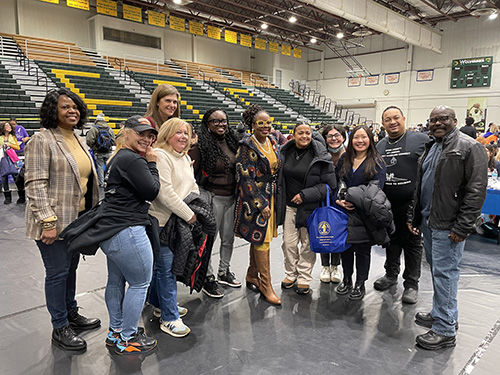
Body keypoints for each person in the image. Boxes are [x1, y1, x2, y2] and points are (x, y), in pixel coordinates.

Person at [25, 88, 101, 351]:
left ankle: (71, 313)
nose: (72, 111)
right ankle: (59, 327)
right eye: (65, 107)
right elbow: (35, 185)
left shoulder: (78, 138)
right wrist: (47, 222)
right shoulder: (41, 140)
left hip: (77, 220)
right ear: (52, 111)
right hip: (53, 222)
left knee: (71, 270)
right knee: (57, 273)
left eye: (75, 107)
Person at [408, 105, 487, 350]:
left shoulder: (469, 147)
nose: (437, 123)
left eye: (443, 119)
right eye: (433, 120)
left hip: (449, 225)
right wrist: (417, 218)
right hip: (431, 221)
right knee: (437, 272)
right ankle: (441, 312)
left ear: (454, 120)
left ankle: (445, 329)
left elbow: (476, 192)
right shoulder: (433, 146)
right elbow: (424, 185)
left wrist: (463, 227)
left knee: (446, 274)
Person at [99, 115, 160, 354]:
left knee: (115, 281)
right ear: (126, 132)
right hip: (128, 229)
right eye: (140, 134)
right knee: (139, 283)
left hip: (111, 228)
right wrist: (152, 163)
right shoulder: (133, 159)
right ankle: (128, 337)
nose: (146, 139)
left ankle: (116, 332)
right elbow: (152, 191)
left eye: (150, 135)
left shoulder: (117, 157)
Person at [373, 106, 429, 304]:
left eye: (396, 117)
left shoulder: (421, 140)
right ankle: (390, 275)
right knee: (391, 241)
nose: (392, 122)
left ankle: (411, 284)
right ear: (383, 124)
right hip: (387, 204)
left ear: (404, 119)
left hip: (411, 205)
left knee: (413, 244)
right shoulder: (379, 145)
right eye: (388, 119)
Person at [148, 118, 195, 337]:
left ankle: (160, 306)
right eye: (178, 132)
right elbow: (164, 193)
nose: (183, 137)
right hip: (162, 222)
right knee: (166, 270)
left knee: (164, 269)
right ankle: (169, 317)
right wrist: (190, 214)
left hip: (178, 222)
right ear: (167, 134)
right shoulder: (161, 156)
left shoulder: (184, 157)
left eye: (186, 133)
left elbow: (192, 186)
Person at [277, 122, 336, 294]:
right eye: (301, 133)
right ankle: (291, 273)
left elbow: (329, 186)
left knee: (308, 244)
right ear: (293, 135)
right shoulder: (285, 152)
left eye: (308, 133)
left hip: (311, 207)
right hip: (289, 206)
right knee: (288, 243)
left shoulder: (321, 155)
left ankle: (304, 277)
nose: (304, 136)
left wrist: (305, 195)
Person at [190, 108, 241, 298]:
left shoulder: (233, 142)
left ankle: (223, 271)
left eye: (224, 121)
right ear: (207, 124)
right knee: (208, 241)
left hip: (232, 198)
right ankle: (207, 276)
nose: (221, 124)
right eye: (216, 121)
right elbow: (191, 176)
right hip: (212, 199)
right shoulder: (200, 146)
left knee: (228, 238)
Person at [234, 104, 281, 305]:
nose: (265, 126)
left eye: (268, 123)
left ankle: (252, 275)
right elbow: (245, 177)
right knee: (262, 240)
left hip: (272, 196)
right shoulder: (246, 146)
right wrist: (261, 204)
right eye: (261, 123)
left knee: (260, 238)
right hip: (255, 201)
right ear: (252, 125)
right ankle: (266, 284)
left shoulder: (272, 142)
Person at [335, 125, 388, 300]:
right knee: (346, 249)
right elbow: (338, 181)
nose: (359, 140)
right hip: (344, 212)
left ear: (370, 139)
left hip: (364, 214)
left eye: (363, 137)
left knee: (363, 251)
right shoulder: (344, 158)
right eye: (356, 137)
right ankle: (347, 279)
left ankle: (360, 283)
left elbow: (374, 189)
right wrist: (338, 198)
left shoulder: (377, 161)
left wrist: (351, 197)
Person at [319, 124, 346, 283]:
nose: (334, 139)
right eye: (330, 136)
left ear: (343, 137)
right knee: (324, 230)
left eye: (337, 135)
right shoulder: (321, 155)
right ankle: (325, 266)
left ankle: (335, 266)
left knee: (338, 233)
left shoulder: (350, 155)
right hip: (324, 199)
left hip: (342, 201)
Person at [86, 112, 116, 187]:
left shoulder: (94, 128)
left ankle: (101, 183)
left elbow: (89, 141)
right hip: (108, 151)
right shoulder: (109, 129)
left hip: (98, 152)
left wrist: (94, 146)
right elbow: (114, 141)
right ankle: (110, 181)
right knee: (109, 166)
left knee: (100, 167)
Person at [1, 121, 21, 204]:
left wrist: (10, 144)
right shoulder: (0, 137)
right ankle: (7, 197)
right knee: (4, 177)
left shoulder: (13, 136)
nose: (8, 127)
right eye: (6, 126)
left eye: (9, 125)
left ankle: (21, 196)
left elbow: (17, 148)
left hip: (13, 159)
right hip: (3, 158)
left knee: (16, 177)